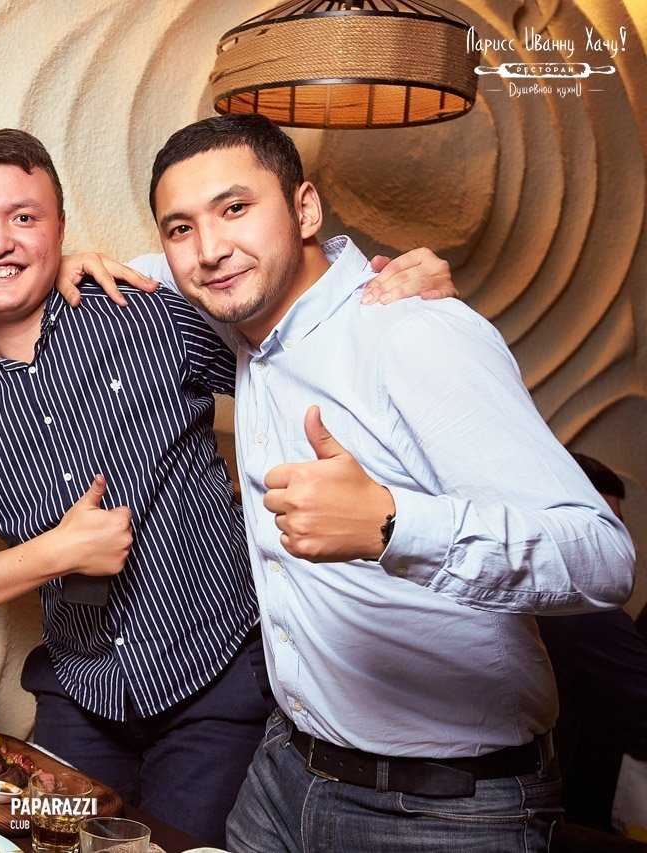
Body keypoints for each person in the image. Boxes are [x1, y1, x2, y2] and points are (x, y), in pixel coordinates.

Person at [0, 129, 454, 843]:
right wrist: (53, 553)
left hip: (218, 684)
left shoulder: (149, 316)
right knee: (40, 840)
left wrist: (391, 296)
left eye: (24, 217)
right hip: (81, 695)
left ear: (59, 229)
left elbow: (299, 359)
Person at [142, 114, 635, 852]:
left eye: (236, 208)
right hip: (285, 772)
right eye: (181, 228)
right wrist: (64, 262)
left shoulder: (412, 331)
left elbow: (603, 556)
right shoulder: (246, 323)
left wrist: (392, 524)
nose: (209, 249)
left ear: (305, 208)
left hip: (447, 809)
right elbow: (105, 270)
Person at [539, 453, 647, 832]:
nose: (621, 545)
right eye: (603, 526)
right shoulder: (587, 616)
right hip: (584, 817)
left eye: (619, 527)